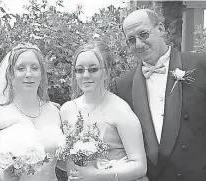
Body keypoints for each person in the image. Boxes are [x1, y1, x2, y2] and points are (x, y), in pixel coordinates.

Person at [114, 9, 206, 181]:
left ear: (161, 29)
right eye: (131, 40)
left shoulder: (201, 66)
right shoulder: (123, 85)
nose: (139, 44)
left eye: (143, 34)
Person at [60, 41, 148, 181]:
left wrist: (96, 175)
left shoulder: (120, 110)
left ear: (105, 72)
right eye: (80, 70)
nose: (86, 75)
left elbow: (139, 166)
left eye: (93, 69)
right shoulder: (67, 110)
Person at [0, 43, 62, 181]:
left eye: (34, 68)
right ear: (10, 74)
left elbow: (61, 160)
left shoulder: (54, 111)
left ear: (41, 73)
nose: (28, 74)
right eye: (21, 68)